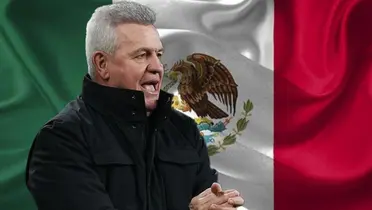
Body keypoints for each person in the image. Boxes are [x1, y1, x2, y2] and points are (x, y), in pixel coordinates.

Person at [25, 1, 245, 210]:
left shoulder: (183, 131)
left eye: (158, 54)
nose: (158, 67)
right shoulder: (62, 140)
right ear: (102, 64)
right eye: (142, 55)